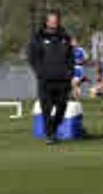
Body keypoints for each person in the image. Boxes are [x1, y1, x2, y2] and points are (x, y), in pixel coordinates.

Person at [29, 11, 75, 145]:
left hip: (63, 80)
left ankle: (53, 128)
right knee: (46, 109)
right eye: (51, 20)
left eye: (56, 20)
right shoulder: (38, 37)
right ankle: (50, 135)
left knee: (62, 108)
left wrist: (70, 72)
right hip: (46, 80)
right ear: (46, 21)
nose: (54, 22)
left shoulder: (65, 37)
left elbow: (70, 57)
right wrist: (40, 72)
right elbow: (33, 57)